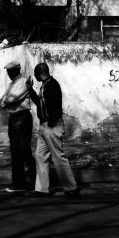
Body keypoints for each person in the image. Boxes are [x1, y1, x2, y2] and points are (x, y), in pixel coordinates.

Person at [26, 62, 79, 197]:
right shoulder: (45, 85)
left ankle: (71, 187)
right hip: (45, 126)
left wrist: (50, 124)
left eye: (35, 74)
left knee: (58, 157)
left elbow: (54, 106)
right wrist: (30, 89)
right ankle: (41, 189)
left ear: (39, 74)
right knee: (40, 156)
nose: (35, 77)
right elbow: (40, 103)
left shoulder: (52, 85)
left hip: (51, 126)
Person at [0, 60, 36, 194]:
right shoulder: (12, 84)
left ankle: (32, 181)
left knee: (24, 150)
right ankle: (18, 182)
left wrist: (7, 101)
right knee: (15, 151)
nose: (8, 74)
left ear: (16, 70)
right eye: (8, 71)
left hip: (22, 118)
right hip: (14, 118)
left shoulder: (23, 82)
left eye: (10, 71)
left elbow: (10, 100)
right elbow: (2, 101)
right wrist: (6, 101)